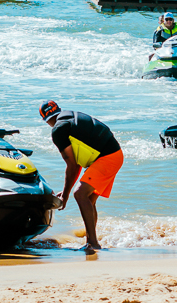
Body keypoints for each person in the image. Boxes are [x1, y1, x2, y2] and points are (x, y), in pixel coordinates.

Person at [40, 101, 123, 254]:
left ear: (46, 120)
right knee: (89, 199)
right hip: (115, 154)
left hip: (107, 157)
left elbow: (72, 166)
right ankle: (92, 241)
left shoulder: (58, 130)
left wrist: (64, 196)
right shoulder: (69, 116)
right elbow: (76, 165)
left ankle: (93, 242)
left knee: (80, 194)